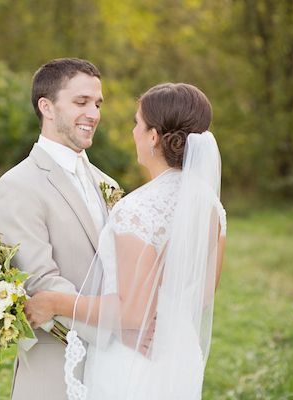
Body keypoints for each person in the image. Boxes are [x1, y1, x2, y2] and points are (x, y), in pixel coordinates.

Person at [26, 83, 227, 399]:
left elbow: (132, 314)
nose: (134, 131)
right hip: (179, 350)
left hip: (135, 359)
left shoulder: (138, 209)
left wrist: (54, 302)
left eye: (137, 123)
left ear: (153, 136)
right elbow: (202, 294)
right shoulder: (210, 206)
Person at [0, 58, 119, 400]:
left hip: (117, 373)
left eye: (97, 104)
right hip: (56, 375)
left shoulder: (107, 183)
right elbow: (40, 282)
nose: (93, 113)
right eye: (81, 102)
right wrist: (120, 328)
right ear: (46, 106)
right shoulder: (17, 186)